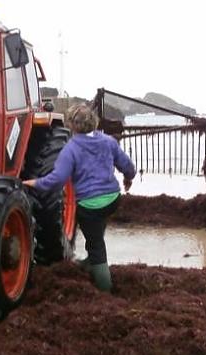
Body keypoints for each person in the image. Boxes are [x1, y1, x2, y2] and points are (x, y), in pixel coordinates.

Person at [23, 103, 136, 291]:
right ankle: (89, 262)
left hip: (90, 206)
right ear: (93, 121)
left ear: (72, 125)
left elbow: (57, 180)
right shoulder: (108, 141)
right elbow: (127, 165)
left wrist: (33, 183)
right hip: (113, 199)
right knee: (97, 231)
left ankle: (105, 291)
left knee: (96, 245)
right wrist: (128, 179)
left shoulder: (71, 149)